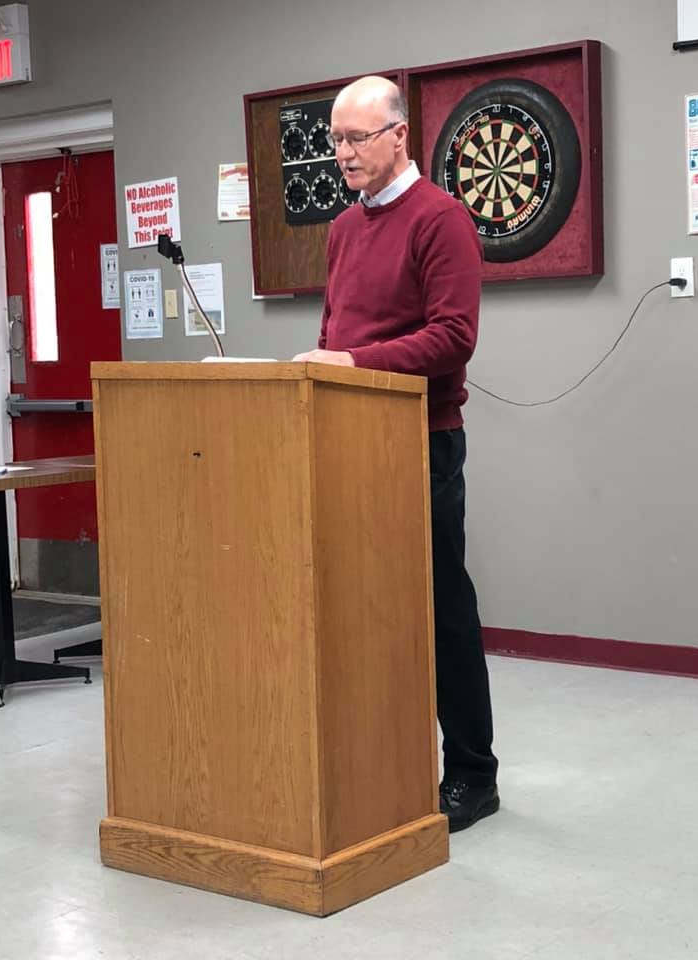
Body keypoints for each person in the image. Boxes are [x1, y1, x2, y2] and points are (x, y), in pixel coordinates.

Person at [293, 75, 498, 833]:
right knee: (363, 609)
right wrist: (325, 365)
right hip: (346, 442)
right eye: (335, 141)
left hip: (422, 443)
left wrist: (352, 362)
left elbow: (453, 338)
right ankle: (381, 766)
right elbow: (333, 332)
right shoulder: (345, 229)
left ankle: (472, 775)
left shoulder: (441, 219)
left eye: (356, 138)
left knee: (441, 611)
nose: (343, 153)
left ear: (399, 135)